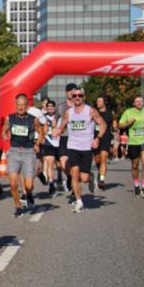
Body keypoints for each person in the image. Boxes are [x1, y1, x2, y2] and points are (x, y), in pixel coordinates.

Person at [56, 85, 107, 213]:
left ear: (84, 97)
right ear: (72, 98)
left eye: (79, 95)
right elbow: (63, 124)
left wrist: (98, 138)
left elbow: (103, 124)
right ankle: (79, 202)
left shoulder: (90, 111)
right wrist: (59, 130)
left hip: (86, 147)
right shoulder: (69, 112)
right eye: (75, 96)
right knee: (74, 174)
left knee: (83, 178)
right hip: (72, 146)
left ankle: (91, 177)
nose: (77, 98)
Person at [2, 93, 43, 217]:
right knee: (13, 183)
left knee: (28, 185)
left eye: (23, 105)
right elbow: (4, 129)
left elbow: (41, 132)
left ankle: (29, 194)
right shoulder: (10, 118)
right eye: (18, 105)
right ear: (16, 105)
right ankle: (18, 207)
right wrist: (4, 134)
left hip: (28, 152)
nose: (20, 107)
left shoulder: (33, 119)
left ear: (27, 106)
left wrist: (37, 144)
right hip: (14, 152)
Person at [119, 95, 144, 198]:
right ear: (133, 103)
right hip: (133, 142)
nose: (139, 103)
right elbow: (120, 125)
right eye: (137, 101)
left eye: (141, 101)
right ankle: (136, 185)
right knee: (135, 165)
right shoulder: (128, 112)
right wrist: (128, 123)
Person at [57, 83, 76, 198]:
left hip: (76, 138)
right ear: (66, 93)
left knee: (74, 165)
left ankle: (74, 190)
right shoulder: (61, 107)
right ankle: (69, 177)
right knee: (64, 164)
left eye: (73, 91)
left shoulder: (80, 106)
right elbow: (55, 120)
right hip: (64, 137)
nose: (71, 93)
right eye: (69, 91)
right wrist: (55, 129)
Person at [40, 99, 61, 194]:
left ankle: (60, 176)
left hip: (59, 142)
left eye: (52, 107)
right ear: (46, 108)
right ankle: (51, 183)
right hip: (48, 143)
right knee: (50, 163)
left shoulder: (59, 117)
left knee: (61, 165)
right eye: (48, 107)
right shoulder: (43, 118)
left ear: (55, 108)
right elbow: (40, 130)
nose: (50, 109)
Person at [93, 95, 114, 190]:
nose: (98, 102)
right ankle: (100, 171)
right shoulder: (93, 113)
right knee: (97, 160)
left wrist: (116, 129)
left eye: (100, 101)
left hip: (106, 138)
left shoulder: (110, 113)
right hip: (95, 138)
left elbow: (113, 125)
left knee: (104, 158)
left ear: (105, 102)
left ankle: (102, 179)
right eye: (97, 101)